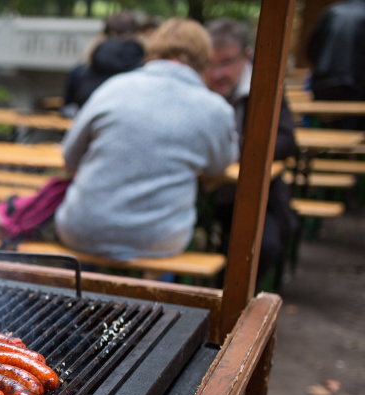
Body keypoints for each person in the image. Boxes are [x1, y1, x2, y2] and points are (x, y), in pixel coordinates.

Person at [53, 19, 238, 262]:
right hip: (158, 239)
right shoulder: (215, 109)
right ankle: (163, 294)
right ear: (205, 58)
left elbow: (69, 156)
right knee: (168, 252)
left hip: (83, 230)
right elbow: (220, 165)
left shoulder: (113, 87)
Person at [205, 19, 298, 290]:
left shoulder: (265, 87)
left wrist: (234, 151)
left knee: (261, 246)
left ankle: (233, 307)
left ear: (246, 57)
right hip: (201, 193)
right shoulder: (196, 88)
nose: (217, 73)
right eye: (211, 64)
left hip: (250, 195)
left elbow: (285, 141)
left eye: (226, 62)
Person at [61, 12, 145, 118]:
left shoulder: (88, 61)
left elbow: (69, 103)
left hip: (89, 120)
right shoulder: (144, 61)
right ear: (136, 33)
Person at [306, 0, 365, 129]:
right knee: (352, 130)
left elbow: (311, 48)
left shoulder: (332, 10)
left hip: (324, 79)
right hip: (355, 82)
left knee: (326, 127)